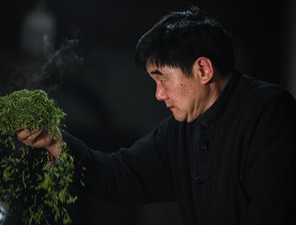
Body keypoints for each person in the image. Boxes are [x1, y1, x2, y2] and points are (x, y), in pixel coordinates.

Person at [15, 5, 296, 225]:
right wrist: (57, 143)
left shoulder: (269, 112)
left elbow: (271, 214)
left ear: (203, 70)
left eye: (163, 79)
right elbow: (117, 175)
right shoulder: (180, 130)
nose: (159, 94)